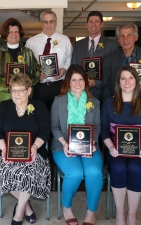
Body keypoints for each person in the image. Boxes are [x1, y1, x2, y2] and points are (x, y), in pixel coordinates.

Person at [0, 73, 51, 225]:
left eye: (20, 90)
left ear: (29, 90)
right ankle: (27, 208)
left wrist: (35, 146)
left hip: (34, 153)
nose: (16, 94)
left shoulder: (39, 106)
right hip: (7, 152)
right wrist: (4, 149)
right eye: (13, 90)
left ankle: (18, 213)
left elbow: (45, 131)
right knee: (3, 173)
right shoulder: (4, 107)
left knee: (28, 174)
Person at [101, 65, 141, 225]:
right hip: (115, 149)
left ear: (137, 81)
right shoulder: (108, 103)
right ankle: (120, 214)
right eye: (123, 78)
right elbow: (104, 130)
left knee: (135, 168)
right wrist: (110, 147)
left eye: (131, 78)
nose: (127, 82)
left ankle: (131, 215)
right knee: (118, 168)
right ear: (118, 82)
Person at [51, 64, 103, 225]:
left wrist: (92, 142)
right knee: (75, 173)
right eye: (74, 80)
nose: (78, 83)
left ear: (86, 81)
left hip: (89, 146)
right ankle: (66, 207)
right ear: (68, 82)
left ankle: (91, 212)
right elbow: (54, 126)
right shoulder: (59, 101)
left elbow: (97, 126)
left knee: (94, 172)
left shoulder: (93, 102)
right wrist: (64, 143)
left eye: (81, 79)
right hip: (63, 146)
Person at [102, 22, 141, 102]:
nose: (125, 39)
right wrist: (110, 102)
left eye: (129, 35)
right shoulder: (109, 59)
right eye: (122, 36)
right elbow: (106, 85)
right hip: (118, 103)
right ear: (118, 39)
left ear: (136, 37)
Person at [25, 10, 72, 111]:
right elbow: (27, 65)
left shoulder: (65, 40)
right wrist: (36, 74)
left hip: (59, 85)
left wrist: (64, 69)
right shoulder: (31, 42)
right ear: (41, 24)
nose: (49, 24)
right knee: (38, 115)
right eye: (45, 22)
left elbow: (70, 58)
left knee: (59, 115)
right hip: (39, 86)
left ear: (56, 23)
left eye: (51, 21)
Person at [0, 18, 40, 105]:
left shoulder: (28, 52)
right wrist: (11, 89)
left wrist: (23, 88)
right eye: (10, 32)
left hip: (25, 99)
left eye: (16, 31)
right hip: (3, 99)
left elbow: (36, 74)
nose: (14, 34)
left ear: (20, 34)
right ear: (5, 34)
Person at [71, 11, 118, 102]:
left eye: (96, 21)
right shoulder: (78, 44)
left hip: (102, 92)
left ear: (102, 24)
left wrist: (97, 83)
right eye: (90, 21)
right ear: (86, 24)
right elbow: (74, 66)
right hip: (81, 90)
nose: (93, 24)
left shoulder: (111, 44)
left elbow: (114, 70)